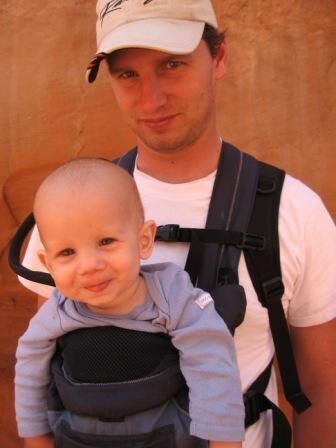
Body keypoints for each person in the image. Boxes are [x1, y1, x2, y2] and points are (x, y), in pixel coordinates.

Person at [18, 0, 336, 447]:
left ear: (219, 57)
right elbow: (49, 366)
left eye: (172, 64)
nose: (151, 99)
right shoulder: (68, 211)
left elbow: (323, 390)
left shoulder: (292, 211)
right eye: (127, 74)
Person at [15, 158, 244, 448]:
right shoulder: (58, 311)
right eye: (67, 252)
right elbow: (29, 368)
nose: (89, 265)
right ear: (48, 264)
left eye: (106, 241)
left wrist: (224, 441)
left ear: (144, 239)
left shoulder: (171, 296)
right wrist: (36, 436)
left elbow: (212, 361)